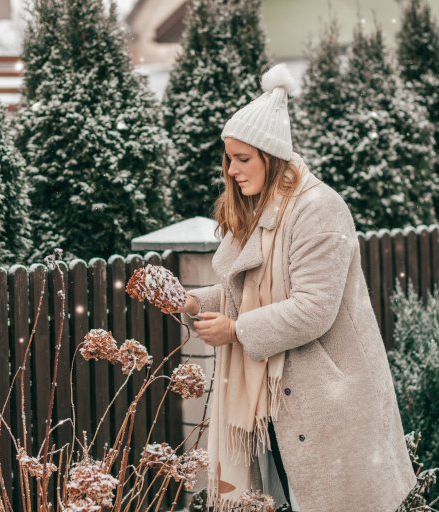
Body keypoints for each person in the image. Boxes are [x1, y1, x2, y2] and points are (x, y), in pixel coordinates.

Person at [172, 63, 417, 512]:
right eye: (228, 158)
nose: (231, 171)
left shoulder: (319, 210)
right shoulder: (257, 211)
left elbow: (312, 309)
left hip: (328, 402)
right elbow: (240, 291)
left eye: (242, 159)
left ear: (272, 156)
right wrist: (190, 301)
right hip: (275, 404)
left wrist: (236, 331)